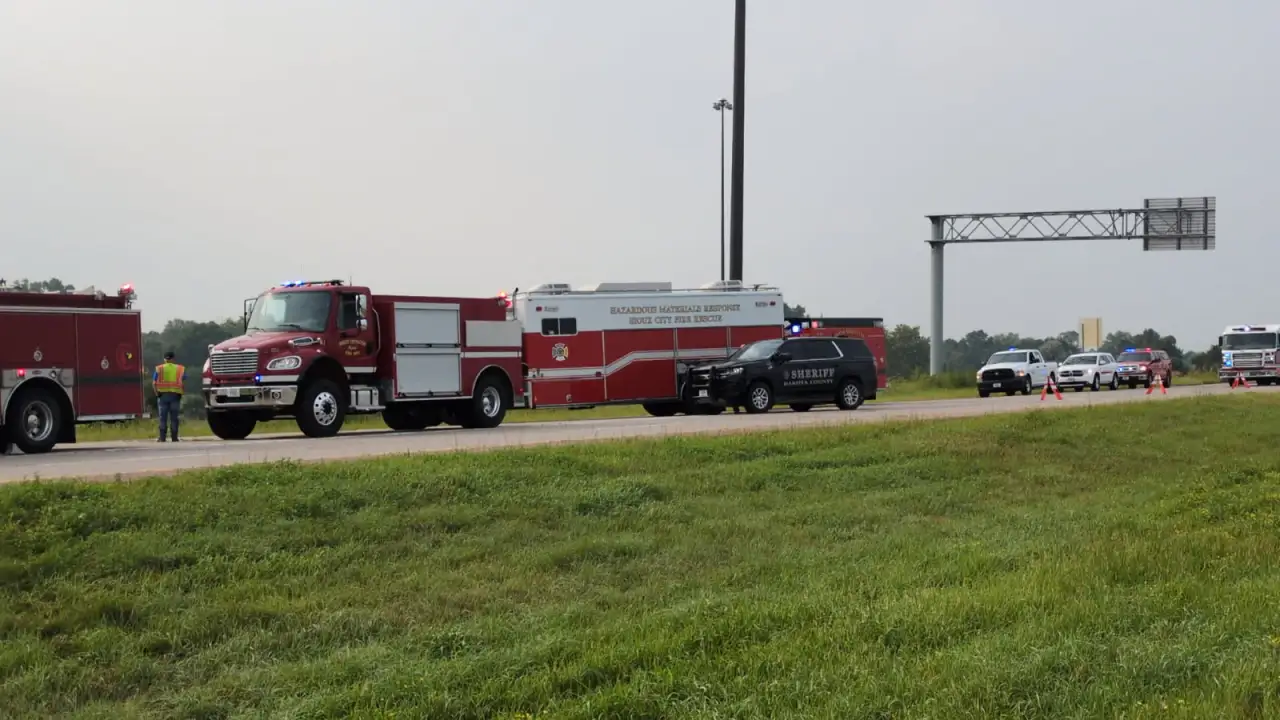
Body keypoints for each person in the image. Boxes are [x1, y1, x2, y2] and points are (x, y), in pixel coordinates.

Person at [153, 350, 185, 442]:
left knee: (163, 417)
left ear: (164, 359)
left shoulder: (159, 368)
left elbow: (154, 383)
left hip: (162, 396)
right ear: (173, 359)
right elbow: (183, 383)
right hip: (175, 396)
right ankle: (174, 438)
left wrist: (157, 393)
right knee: (174, 418)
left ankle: (162, 438)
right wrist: (181, 393)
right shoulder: (180, 369)